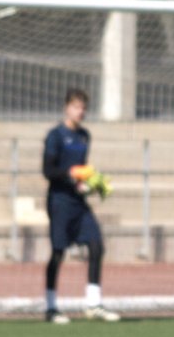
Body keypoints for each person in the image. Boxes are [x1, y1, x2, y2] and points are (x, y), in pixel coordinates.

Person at [41, 88, 120, 324]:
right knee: (58, 252)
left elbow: (83, 170)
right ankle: (51, 307)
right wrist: (71, 174)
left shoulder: (85, 136)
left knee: (96, 246)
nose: (80, 111)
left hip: (78, 202)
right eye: (76, 107)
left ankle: (93, 304)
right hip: (59, 201)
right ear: (67, 108)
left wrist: (92, 183)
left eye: (83, 107)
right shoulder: (55, 135)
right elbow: (48, 170)